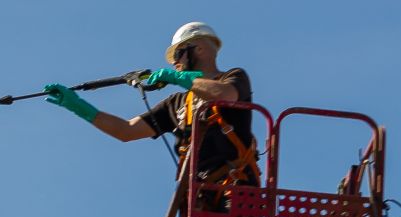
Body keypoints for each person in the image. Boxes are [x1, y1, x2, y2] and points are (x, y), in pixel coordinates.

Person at [42, 22, 259, 191]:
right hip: (201, 198)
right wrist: (79, 106)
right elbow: (126, 130)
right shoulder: (176, 104)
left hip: (236, 189)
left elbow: (226, 94)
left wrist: (179, 78)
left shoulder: (233, 77)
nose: (174, 63)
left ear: (200, 49)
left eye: (177, 54)